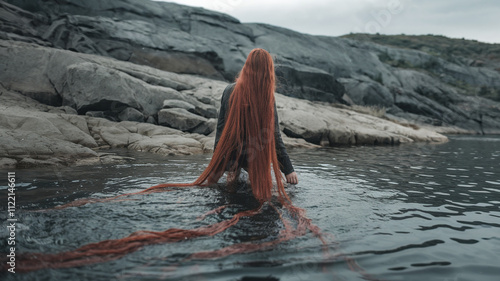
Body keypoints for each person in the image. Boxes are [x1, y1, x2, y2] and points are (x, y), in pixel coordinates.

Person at [214, 49, 299, 186]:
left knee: (231, 192)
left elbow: (221, 130)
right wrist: (288, 170)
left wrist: (218, 166)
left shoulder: (229, 90)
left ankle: (233, 174)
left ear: (247, 67)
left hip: (232, 157)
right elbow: (274, 135)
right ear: (268, 71)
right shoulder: (267, 97)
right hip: (255, 155)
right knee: (265, 192)